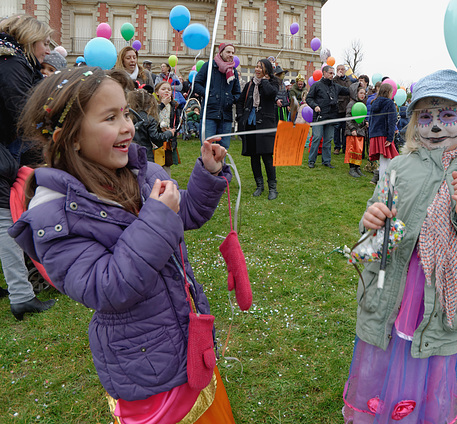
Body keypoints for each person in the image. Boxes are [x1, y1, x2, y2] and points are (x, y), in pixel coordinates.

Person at [10, 67, 236, 423]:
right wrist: (157, 218)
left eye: (127, 113)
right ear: (71, 138)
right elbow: (107, 286)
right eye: (110, 117)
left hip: (184, 335)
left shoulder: (141, 172)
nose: (128, 126)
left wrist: (206, 175)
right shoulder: (55, 217)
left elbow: (182, 212)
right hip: (146, 367)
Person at [343, 69, 457, 424]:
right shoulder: (398, 168)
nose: (435, 126)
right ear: (414, 123)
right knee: (386, 369)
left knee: (425, 375)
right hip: (393, 293)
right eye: (426, 118)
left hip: (438, 303)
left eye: (447, 116)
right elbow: (371, 242)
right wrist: (370, 222)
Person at [0, 14, 56, 318]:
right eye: (44, 43)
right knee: (4, 218)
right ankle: (21, 295)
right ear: (28, 39)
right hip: (6, 150)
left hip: (8, 148)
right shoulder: (12, 65)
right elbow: (23, 112)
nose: (47, 50)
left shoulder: (18, 64)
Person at [237, 59, 280, 200]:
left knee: (267, 157)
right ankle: (259, 185)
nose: (257, 69)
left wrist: (264, 81)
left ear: (266, 70)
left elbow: (271, 94)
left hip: (265, 125)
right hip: (250, 124)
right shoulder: (250, 84)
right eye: (256, 66)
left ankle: (272, 188)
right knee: (254, 157)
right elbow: (240, 101)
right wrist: (240, 116)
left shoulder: (272, 83)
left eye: (260, 67)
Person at [193, 43, 241, 149]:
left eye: (233, 53)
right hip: (209, 114)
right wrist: (208, 94)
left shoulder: (233, 72)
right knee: (207, 147)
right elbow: (196, 83)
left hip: (226, 116)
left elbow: (238, 93)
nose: (231, 55)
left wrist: (231, 99)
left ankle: (220, 166)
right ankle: (206, 166)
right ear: (220, 52)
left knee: (223, 149)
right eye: (228, 52)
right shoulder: (209, 66)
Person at [305, 65, 350, 168]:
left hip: (331, 116)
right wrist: (315, 106)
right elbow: (309, 98)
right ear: (324, 73)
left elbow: (347, 91)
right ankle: (311, 161)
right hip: (319, 117)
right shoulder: (316, 85)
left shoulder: (335, 86)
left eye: (333, 73)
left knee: (328, 140)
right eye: (330, 73)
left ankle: (326, 161)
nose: (332, 75)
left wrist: (357, 84)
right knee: (317, 137)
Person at [127, 88, 175, 163]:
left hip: (129, 152)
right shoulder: (149, 119)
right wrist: (169, 133)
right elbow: (155, 137)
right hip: (145, 154)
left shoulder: (128, 117)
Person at [368, 83, 399, 182]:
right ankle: (383, 185)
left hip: (375, 135)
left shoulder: (374, 102)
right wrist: (390, 137)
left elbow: (371, 121)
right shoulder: (389, 103)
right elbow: (391, 121)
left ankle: (384, 183)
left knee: (384, 161)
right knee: (386, 161)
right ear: (389, 92)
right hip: (384, 135)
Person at [155, 81, 180, 176]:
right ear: (157, 92)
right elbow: (152, 117)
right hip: (156, 139)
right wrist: (162, 105)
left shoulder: (174, 106)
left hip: (168, 140)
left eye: (169, 89)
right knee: (156, 163)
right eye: (163, 89)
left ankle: (167, 180)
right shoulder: (154, 104)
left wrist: (173, 130)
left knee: (167, 163)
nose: (166, 91)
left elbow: (177, 123)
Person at [345, 86, 368, 178]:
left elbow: (362, 116)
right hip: (352, 132)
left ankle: (357, 167)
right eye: (361, 93)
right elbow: (348, 118)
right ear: (356, 93)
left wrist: (365, 122)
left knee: (359, 150)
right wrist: (352, 129)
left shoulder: (362, 104)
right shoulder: (351, 104)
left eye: (364, 93)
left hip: (360, 131)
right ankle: (352, 168)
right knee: (352, 149)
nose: (363, 95)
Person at [333, 64, 352, 154]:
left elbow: (350, 90)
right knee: (337, 128)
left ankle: (345, 147)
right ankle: (337, 147)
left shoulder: (349, 80)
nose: (341, 70)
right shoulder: (335, 79)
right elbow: (333, 86)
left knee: (345, 129)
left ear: (345, 71)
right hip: (337, 107)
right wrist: (337, 77)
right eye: (339, 69)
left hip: (346, 107)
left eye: (342, 69)